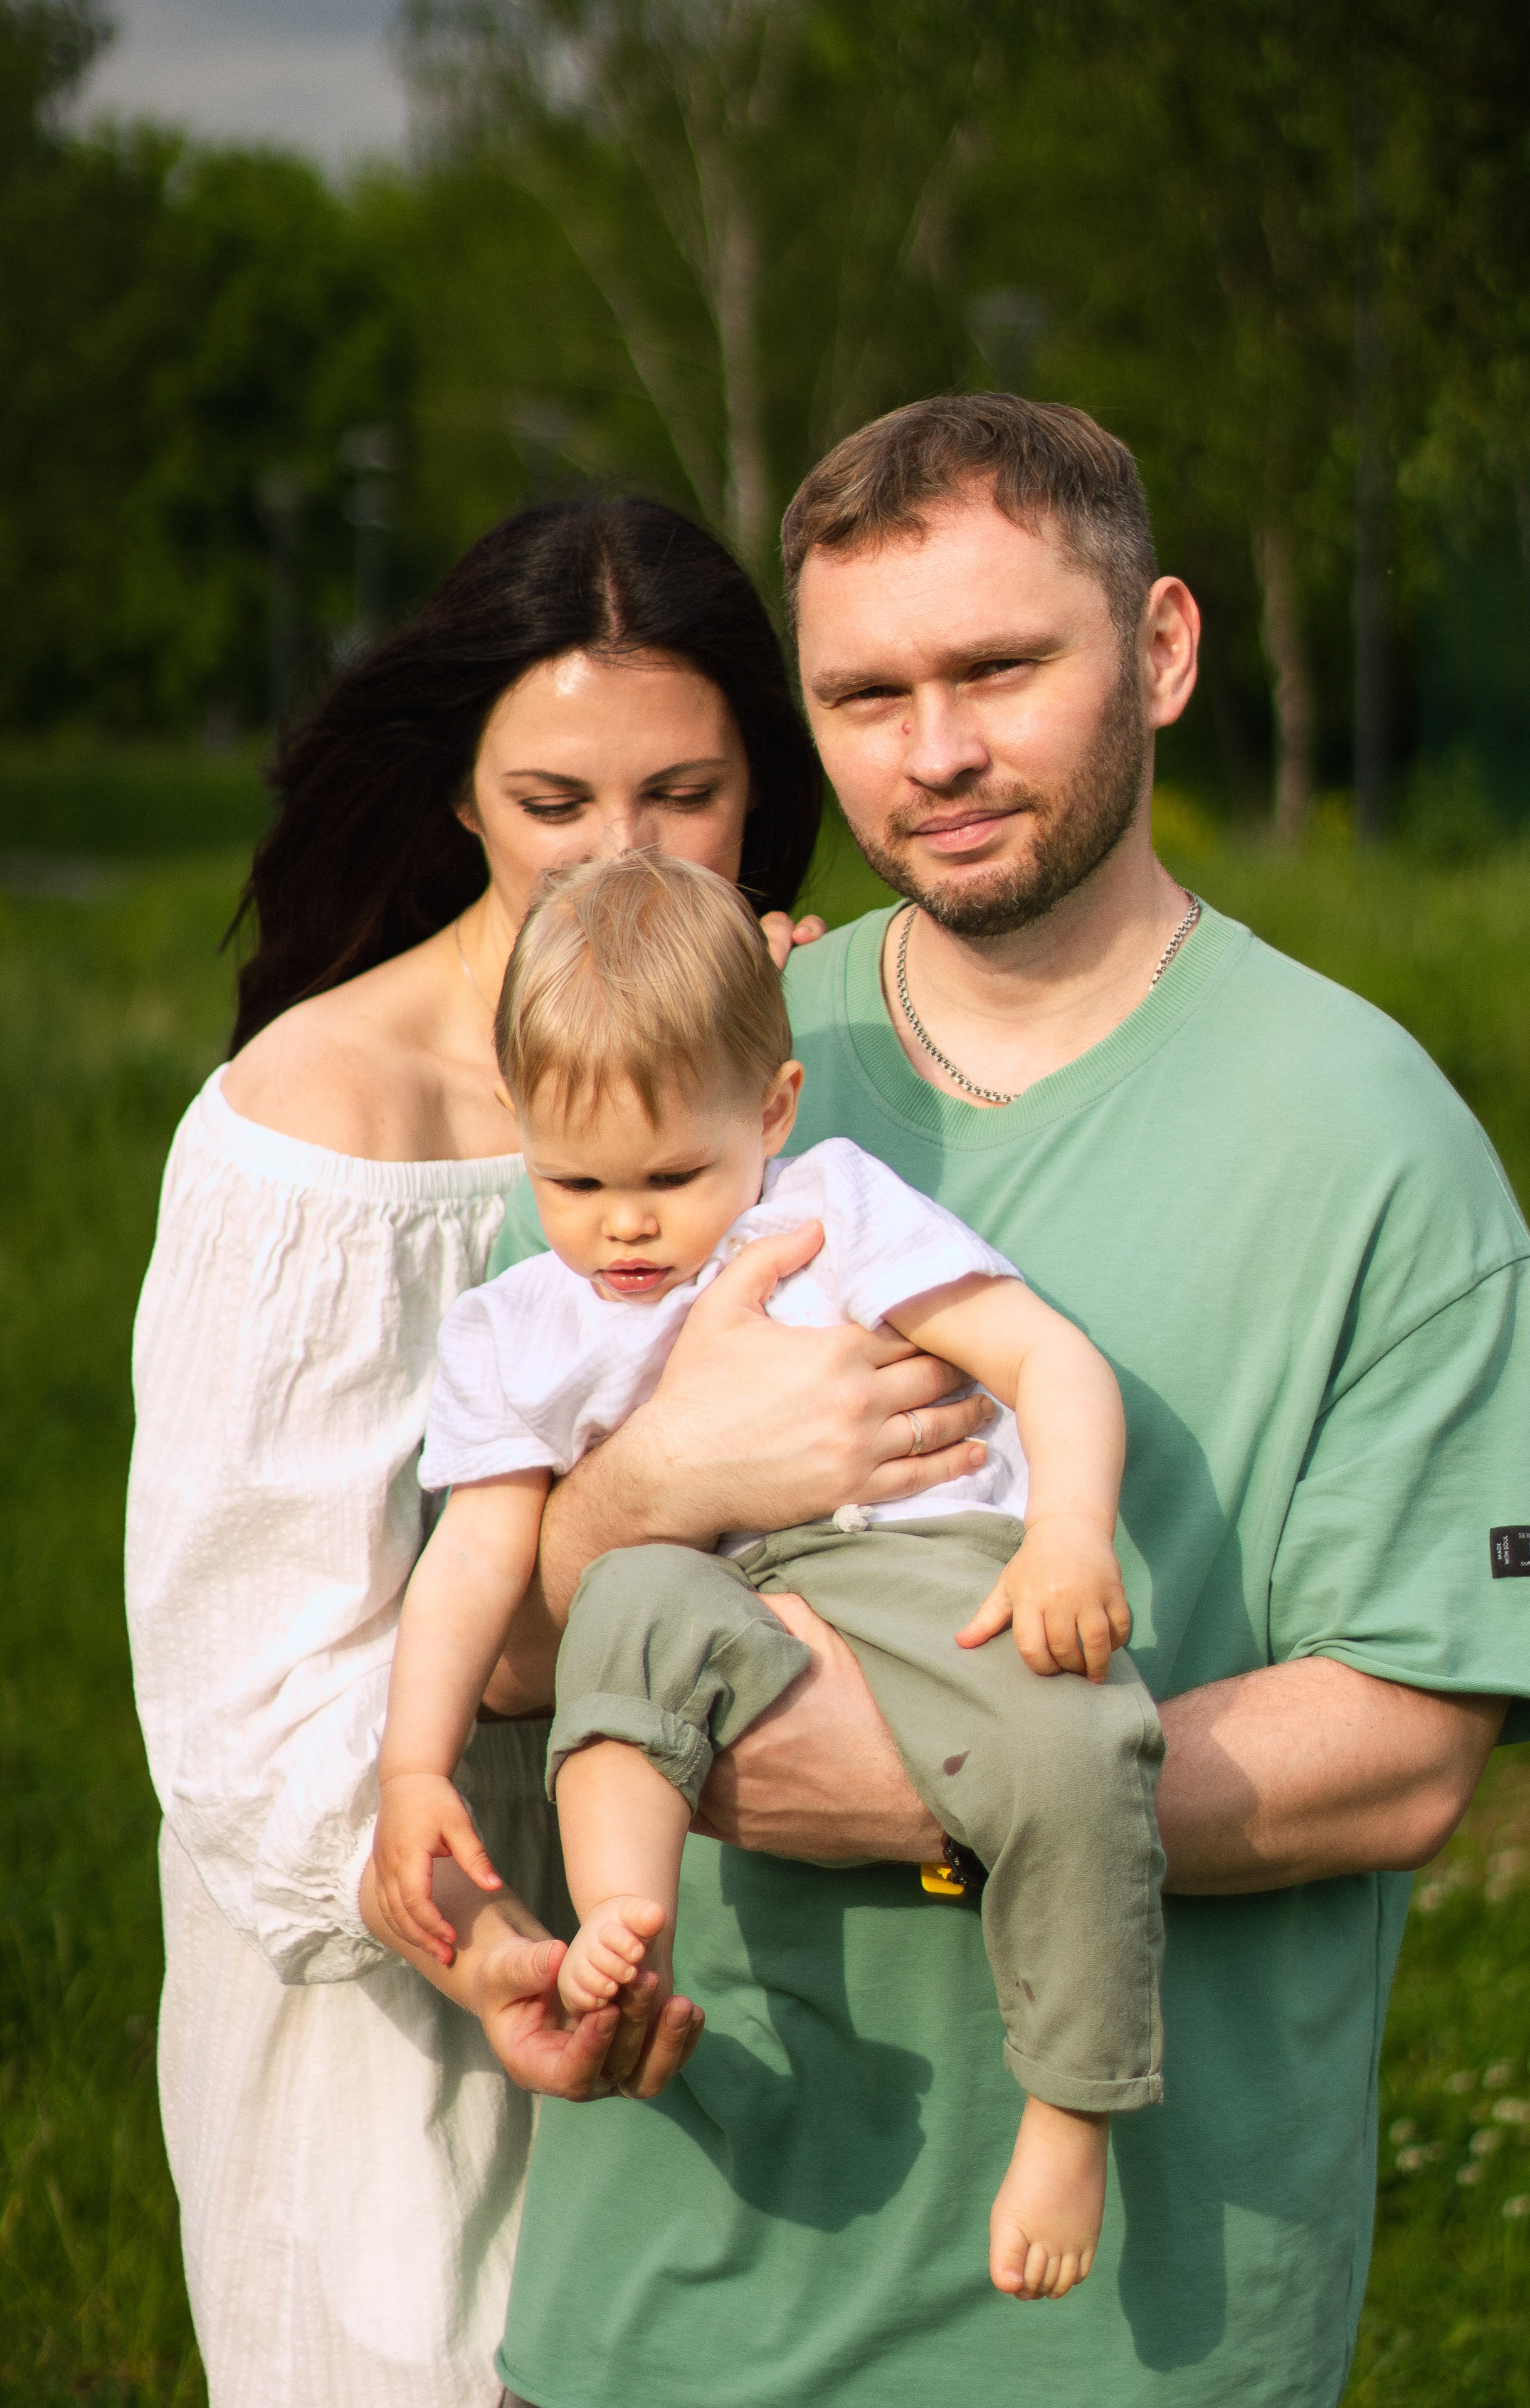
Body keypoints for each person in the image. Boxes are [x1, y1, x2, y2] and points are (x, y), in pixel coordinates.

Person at [441, 398, 1530, 2408]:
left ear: (1159, 648)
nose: (935, 749)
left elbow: (1407, 1747)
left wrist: (915, 1780)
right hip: (662, 2292)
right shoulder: (696, 1048)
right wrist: (647, 1498)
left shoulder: (1373, 1140)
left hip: (1126, 2333)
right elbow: (494, 1644)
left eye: (998, 668)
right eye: (866, 692)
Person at [125, 495, 996, 2408]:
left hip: (722, 1951)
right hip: (409, 1998)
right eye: (554, 802)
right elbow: (245, 1728)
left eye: (685, 796)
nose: (623, 856)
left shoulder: (805, 1048)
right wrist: (476, 1936)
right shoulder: (317, 1133)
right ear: (460, 798)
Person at [371, 849, 1165, 2306]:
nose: (622, 1225)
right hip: (719, 1607)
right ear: (519, 1131)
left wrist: (1068, 1534)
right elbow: (481, 1557)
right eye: (574, 1180)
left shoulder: (830, 1215)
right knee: (620, 1606)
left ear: (774, 1112)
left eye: (671, 1176)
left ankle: (1073, 2099)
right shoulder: (513, 1327)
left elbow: (1046, 1358)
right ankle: (630, 1919)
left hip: (921, 1565)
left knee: (1081, 1742)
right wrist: (413, 1764)